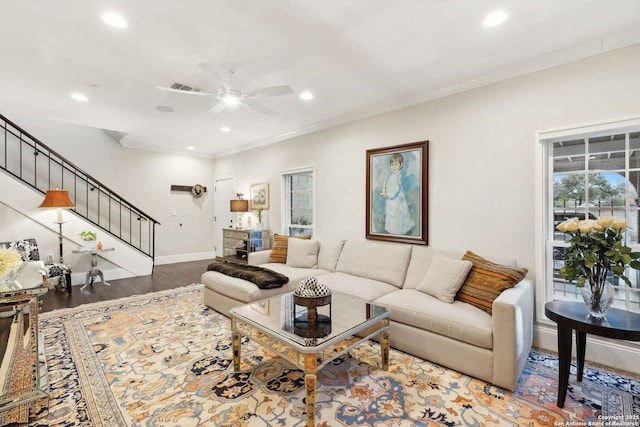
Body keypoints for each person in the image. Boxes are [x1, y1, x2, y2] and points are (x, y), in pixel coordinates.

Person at [380, 153, 414, 234]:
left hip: (396, 201)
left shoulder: (398, 176)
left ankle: (398, 231)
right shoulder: (392, 176)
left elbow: (396, 190)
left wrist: (389, 195)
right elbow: (389, 187)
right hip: (391, 201)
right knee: (391, 217)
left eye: (396, 164)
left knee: (397, 217)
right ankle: (392, 231)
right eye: (392, 164)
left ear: (401, 165)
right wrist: (386, 191)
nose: (394, 166)